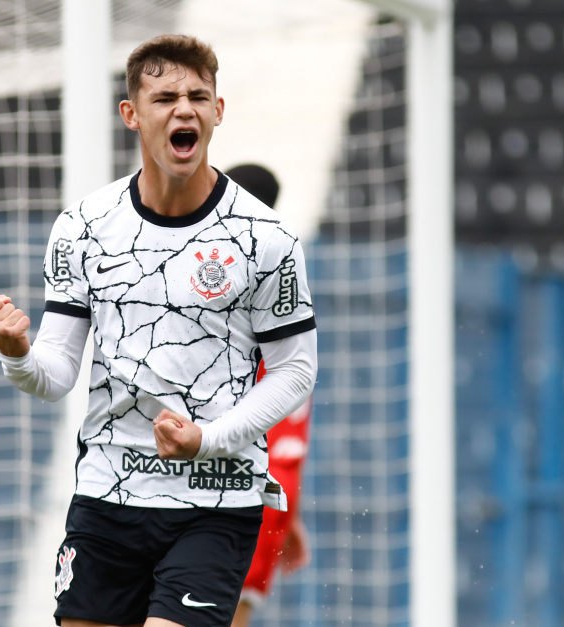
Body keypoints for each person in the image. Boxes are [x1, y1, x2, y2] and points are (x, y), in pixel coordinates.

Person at [0, 35, 317, 627]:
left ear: (217, 111)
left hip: (215, 496)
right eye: (165, 97)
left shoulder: (266, 238)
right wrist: (18, 356)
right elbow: (55, 374)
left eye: (197, 96)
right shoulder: (83, 227)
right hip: (106, 495)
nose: (183, 108)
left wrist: (207, 439)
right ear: (132, 114)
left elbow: (295, 369)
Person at [223, 165, 312, 627]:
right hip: (271, 488)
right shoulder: (286, 284)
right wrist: (288, 508)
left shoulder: (220, 284)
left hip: (228, 488)